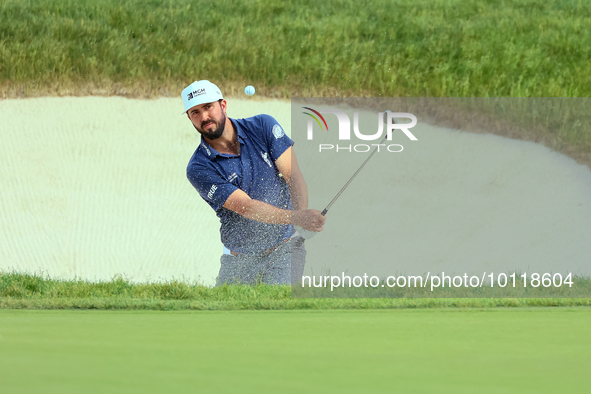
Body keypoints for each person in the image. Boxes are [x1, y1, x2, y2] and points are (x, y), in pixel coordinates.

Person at [182, 80, 326, 286]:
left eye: (208, 107)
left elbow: (293, 175)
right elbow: (246, 206)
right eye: (195, 112)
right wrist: (298, 217)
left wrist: (301, 221)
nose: (204, 117)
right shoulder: (198, 167)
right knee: (222, 318)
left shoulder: (263, 127)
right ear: (189, 117)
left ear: (222, 105)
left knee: (276, 313)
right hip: (238, 261)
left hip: (285, 250)